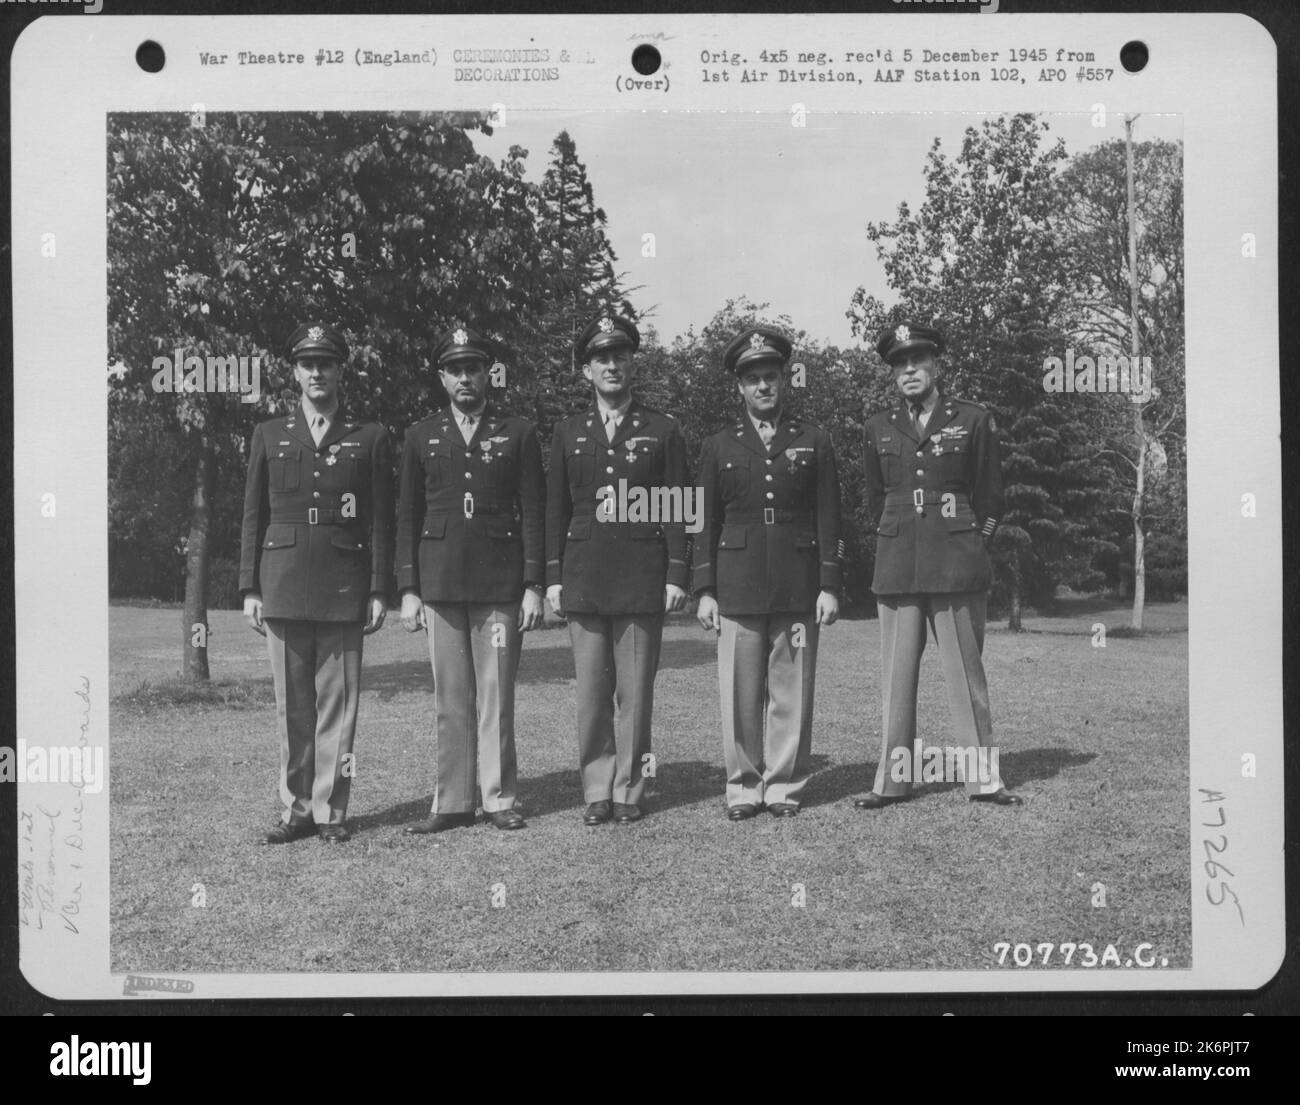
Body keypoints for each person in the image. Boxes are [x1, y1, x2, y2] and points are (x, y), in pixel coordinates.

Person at [240, 322, 394, 845]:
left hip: (344, 587)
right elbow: (253, 515)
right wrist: (250, 587)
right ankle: (296, 810)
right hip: (282, 584)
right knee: (293, 710)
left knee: (338, 709)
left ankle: (331, 810)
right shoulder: (269, 434)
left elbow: (381, 520)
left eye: (326, 363)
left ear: (340, 371)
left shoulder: (369, 437)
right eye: (308, 364)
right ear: (295, 373)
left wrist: (378, 590)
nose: (317, 373)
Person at [856, 322, 1021, 809]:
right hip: (898, 565)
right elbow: (875, 499)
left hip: (955, 564)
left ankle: (983, 779)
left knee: (967, 678)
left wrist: (969, 541)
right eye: (900, 364)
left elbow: (991, 496)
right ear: (893, 373)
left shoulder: (973, 419)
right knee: (896, 681)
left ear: (935, 365)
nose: (909, 370)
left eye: (918, 361)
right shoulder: (877, 427)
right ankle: (892, 781)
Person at [396, 327, 545, 834]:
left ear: (488, 375)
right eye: (455, 370)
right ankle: (454, 801)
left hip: (500, 584)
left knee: (496, 696)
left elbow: (534, 511)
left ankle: (499, 798)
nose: (465, 378)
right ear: (442, 378)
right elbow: (407, 516)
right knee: (451, 698)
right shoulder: (420, 435)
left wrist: (533, 584)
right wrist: (409, 589)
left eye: (474, 369)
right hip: (439, 583)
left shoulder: (518, 432)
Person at [693, 327, 843, 819]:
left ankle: (782, 786)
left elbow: (830, 517)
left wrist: (829, 584)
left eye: (771, 377)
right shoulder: (718, 445)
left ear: (784, 380)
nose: (763, 386)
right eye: (753, 379)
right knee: (739, 696)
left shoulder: (814, 440)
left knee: (791, 691)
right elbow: (703, 521)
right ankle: (743, 787)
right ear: (739, 386)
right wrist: (704, 588)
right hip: (736, 586)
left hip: (797, 584)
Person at [546, 314, 689, 825]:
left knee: (635, 694)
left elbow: (678, 506)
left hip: (640, 574)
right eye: (601, 359)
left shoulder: (662, 429)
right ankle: (596, 790)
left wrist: (676, 573)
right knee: (591, 694)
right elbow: (555, 510)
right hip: (584, 575)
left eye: (620, 357)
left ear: (633, 365)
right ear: (587, 370)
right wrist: (552, 577)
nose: (611, 366)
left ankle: (629, 788)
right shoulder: (568, 432)